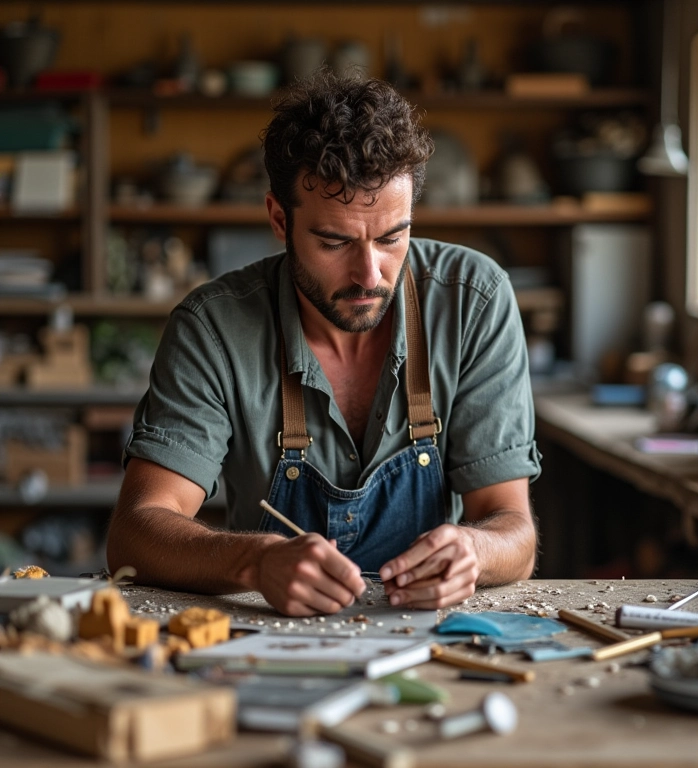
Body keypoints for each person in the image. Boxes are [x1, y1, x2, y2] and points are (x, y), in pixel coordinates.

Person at [106, 70, 541, 617]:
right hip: (268, 633)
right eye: (335, 241)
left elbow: (513, 528)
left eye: (391, 238)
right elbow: (135, 532)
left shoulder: (473, 301)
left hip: (433, 634)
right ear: (278, 219)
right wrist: (255, 562)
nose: (369, 274)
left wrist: (475, 551)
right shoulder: (214, 327)